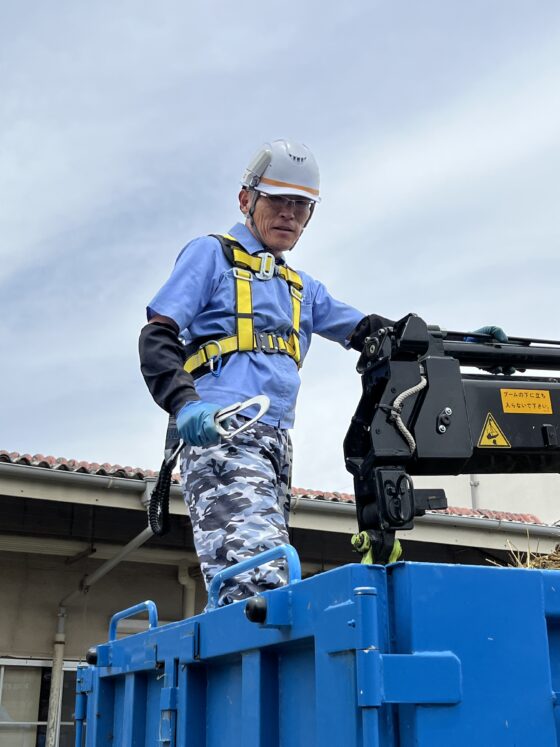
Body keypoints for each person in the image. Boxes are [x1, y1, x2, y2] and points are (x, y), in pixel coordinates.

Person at [138, 138, 505, 605]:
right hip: (222, 433)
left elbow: (377, 334)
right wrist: (185, 404)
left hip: (276, 445)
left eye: (301, 205)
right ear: (246, 199)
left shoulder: (301, 289)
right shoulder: (212, 256)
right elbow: (157, 334)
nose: (290, 214)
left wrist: (465, 344)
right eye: (278, 201)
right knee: (260, 582)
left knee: (248, 577)